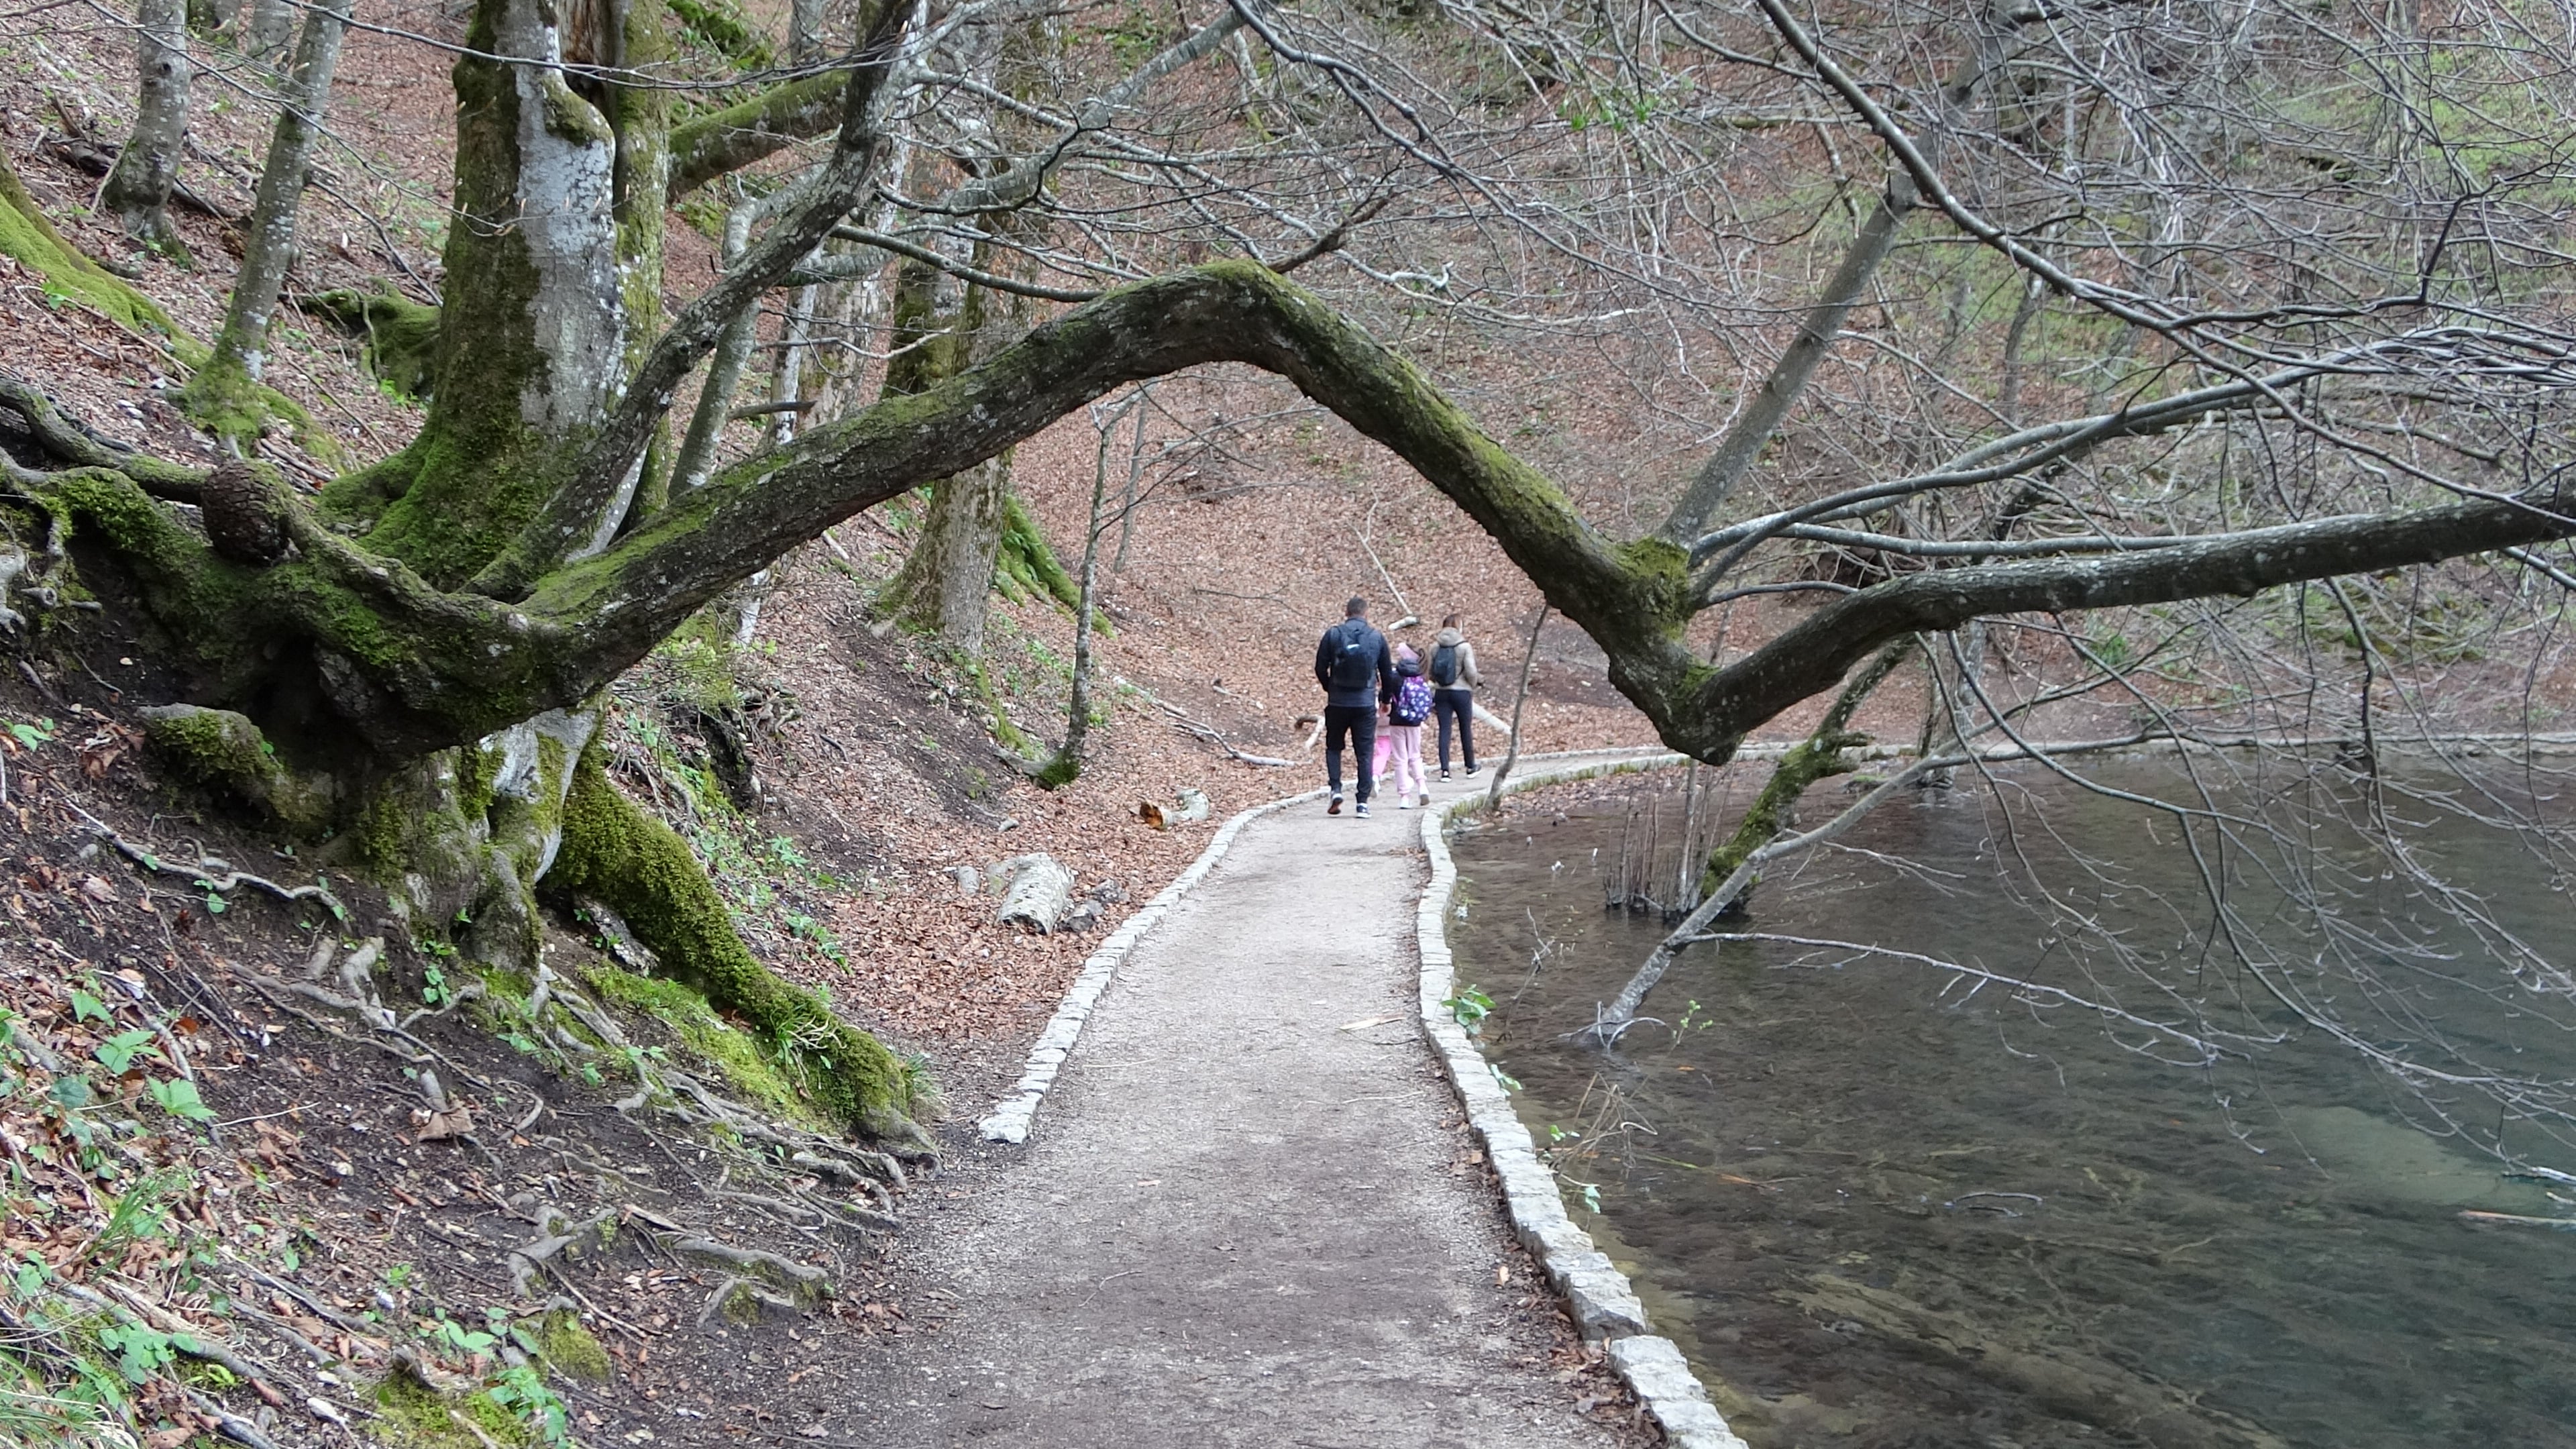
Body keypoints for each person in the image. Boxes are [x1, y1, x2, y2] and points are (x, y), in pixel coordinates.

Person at [1313, 596, 1395, 817]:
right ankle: (1362, 803)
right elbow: (1387, 674)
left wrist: (1329, 687)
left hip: (1338, 702)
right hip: (1365, 703)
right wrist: (1386, 700)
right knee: (1365, 751)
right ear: (1366, 614)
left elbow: (1320, 667)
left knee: (1334, 746)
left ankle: (1336, 789)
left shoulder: (1333, 635)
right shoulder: (1376, 637)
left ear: (1346, 612)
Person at [1427, 614, 1483, 780]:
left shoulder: (1434, 647)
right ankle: (1470, 766)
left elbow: (1430, 671)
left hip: (1442, 692)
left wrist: (1438, 683)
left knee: (1445, 729)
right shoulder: (1464, 646)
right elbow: (1471, 671)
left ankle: (1445, 771)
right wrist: (1472, 685)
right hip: (1462, 692)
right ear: (1459, 626)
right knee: (1465, 728)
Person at [1385, 644, 1434, 808]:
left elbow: (1384, 695)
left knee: (1400, 758)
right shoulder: (1420, 677)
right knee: (1415, 755)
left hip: (1397, 721)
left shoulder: (1394, 676)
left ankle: (1404, 796)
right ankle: (1423, 788)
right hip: (1415, 722)